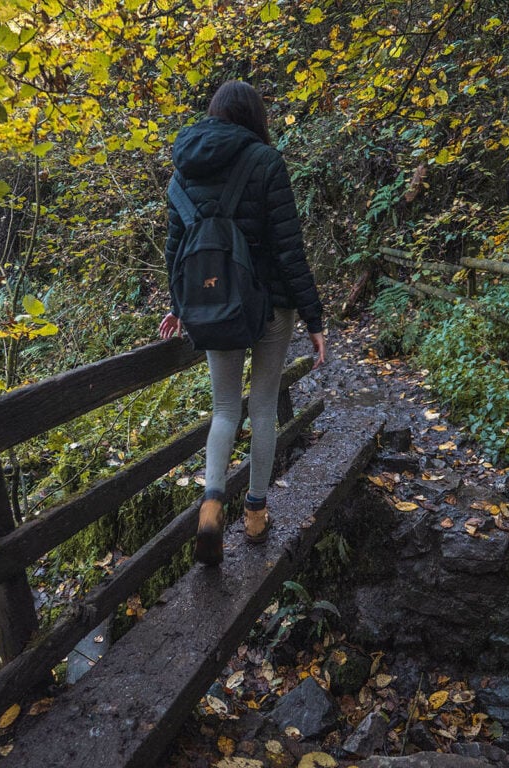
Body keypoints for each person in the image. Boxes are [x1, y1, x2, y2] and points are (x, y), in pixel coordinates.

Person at [158, 80, 326, 566]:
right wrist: (313, 318)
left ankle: (211, 503)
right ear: (255, 116)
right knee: (264, 405)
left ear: (213, 114)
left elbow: (176, 250)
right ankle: (255, 513)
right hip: (269, 305)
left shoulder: (182, 171)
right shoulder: (266, 162)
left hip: (213, 309)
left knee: (225, 408)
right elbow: (289, 248)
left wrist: (180, 303)